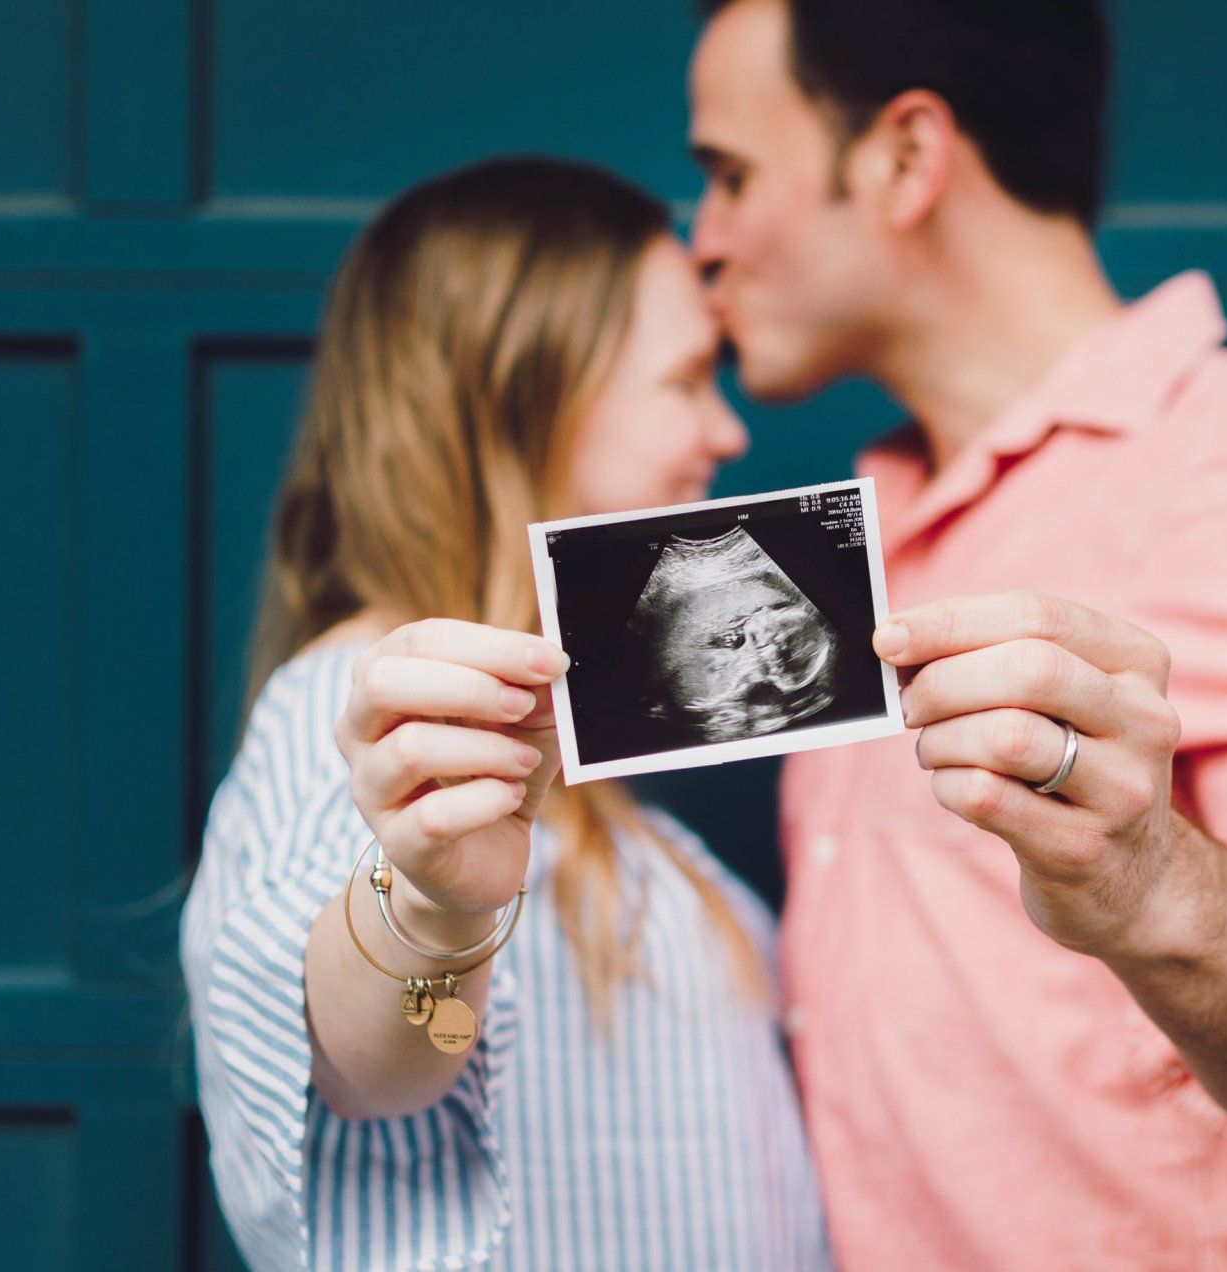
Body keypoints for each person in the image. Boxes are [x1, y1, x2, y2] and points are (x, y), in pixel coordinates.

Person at [685, 0, 1227, 1267]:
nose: (701, 242)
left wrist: (1149, 884)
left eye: (731, 175)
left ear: (907, 158)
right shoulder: (868, 527)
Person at [180, 156, 830, 1271]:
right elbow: (373, 1063)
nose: (726, 434)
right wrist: (434, 914)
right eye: (683, 381)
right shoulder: (364, 723)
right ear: (520, 398)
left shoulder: (576, 779)